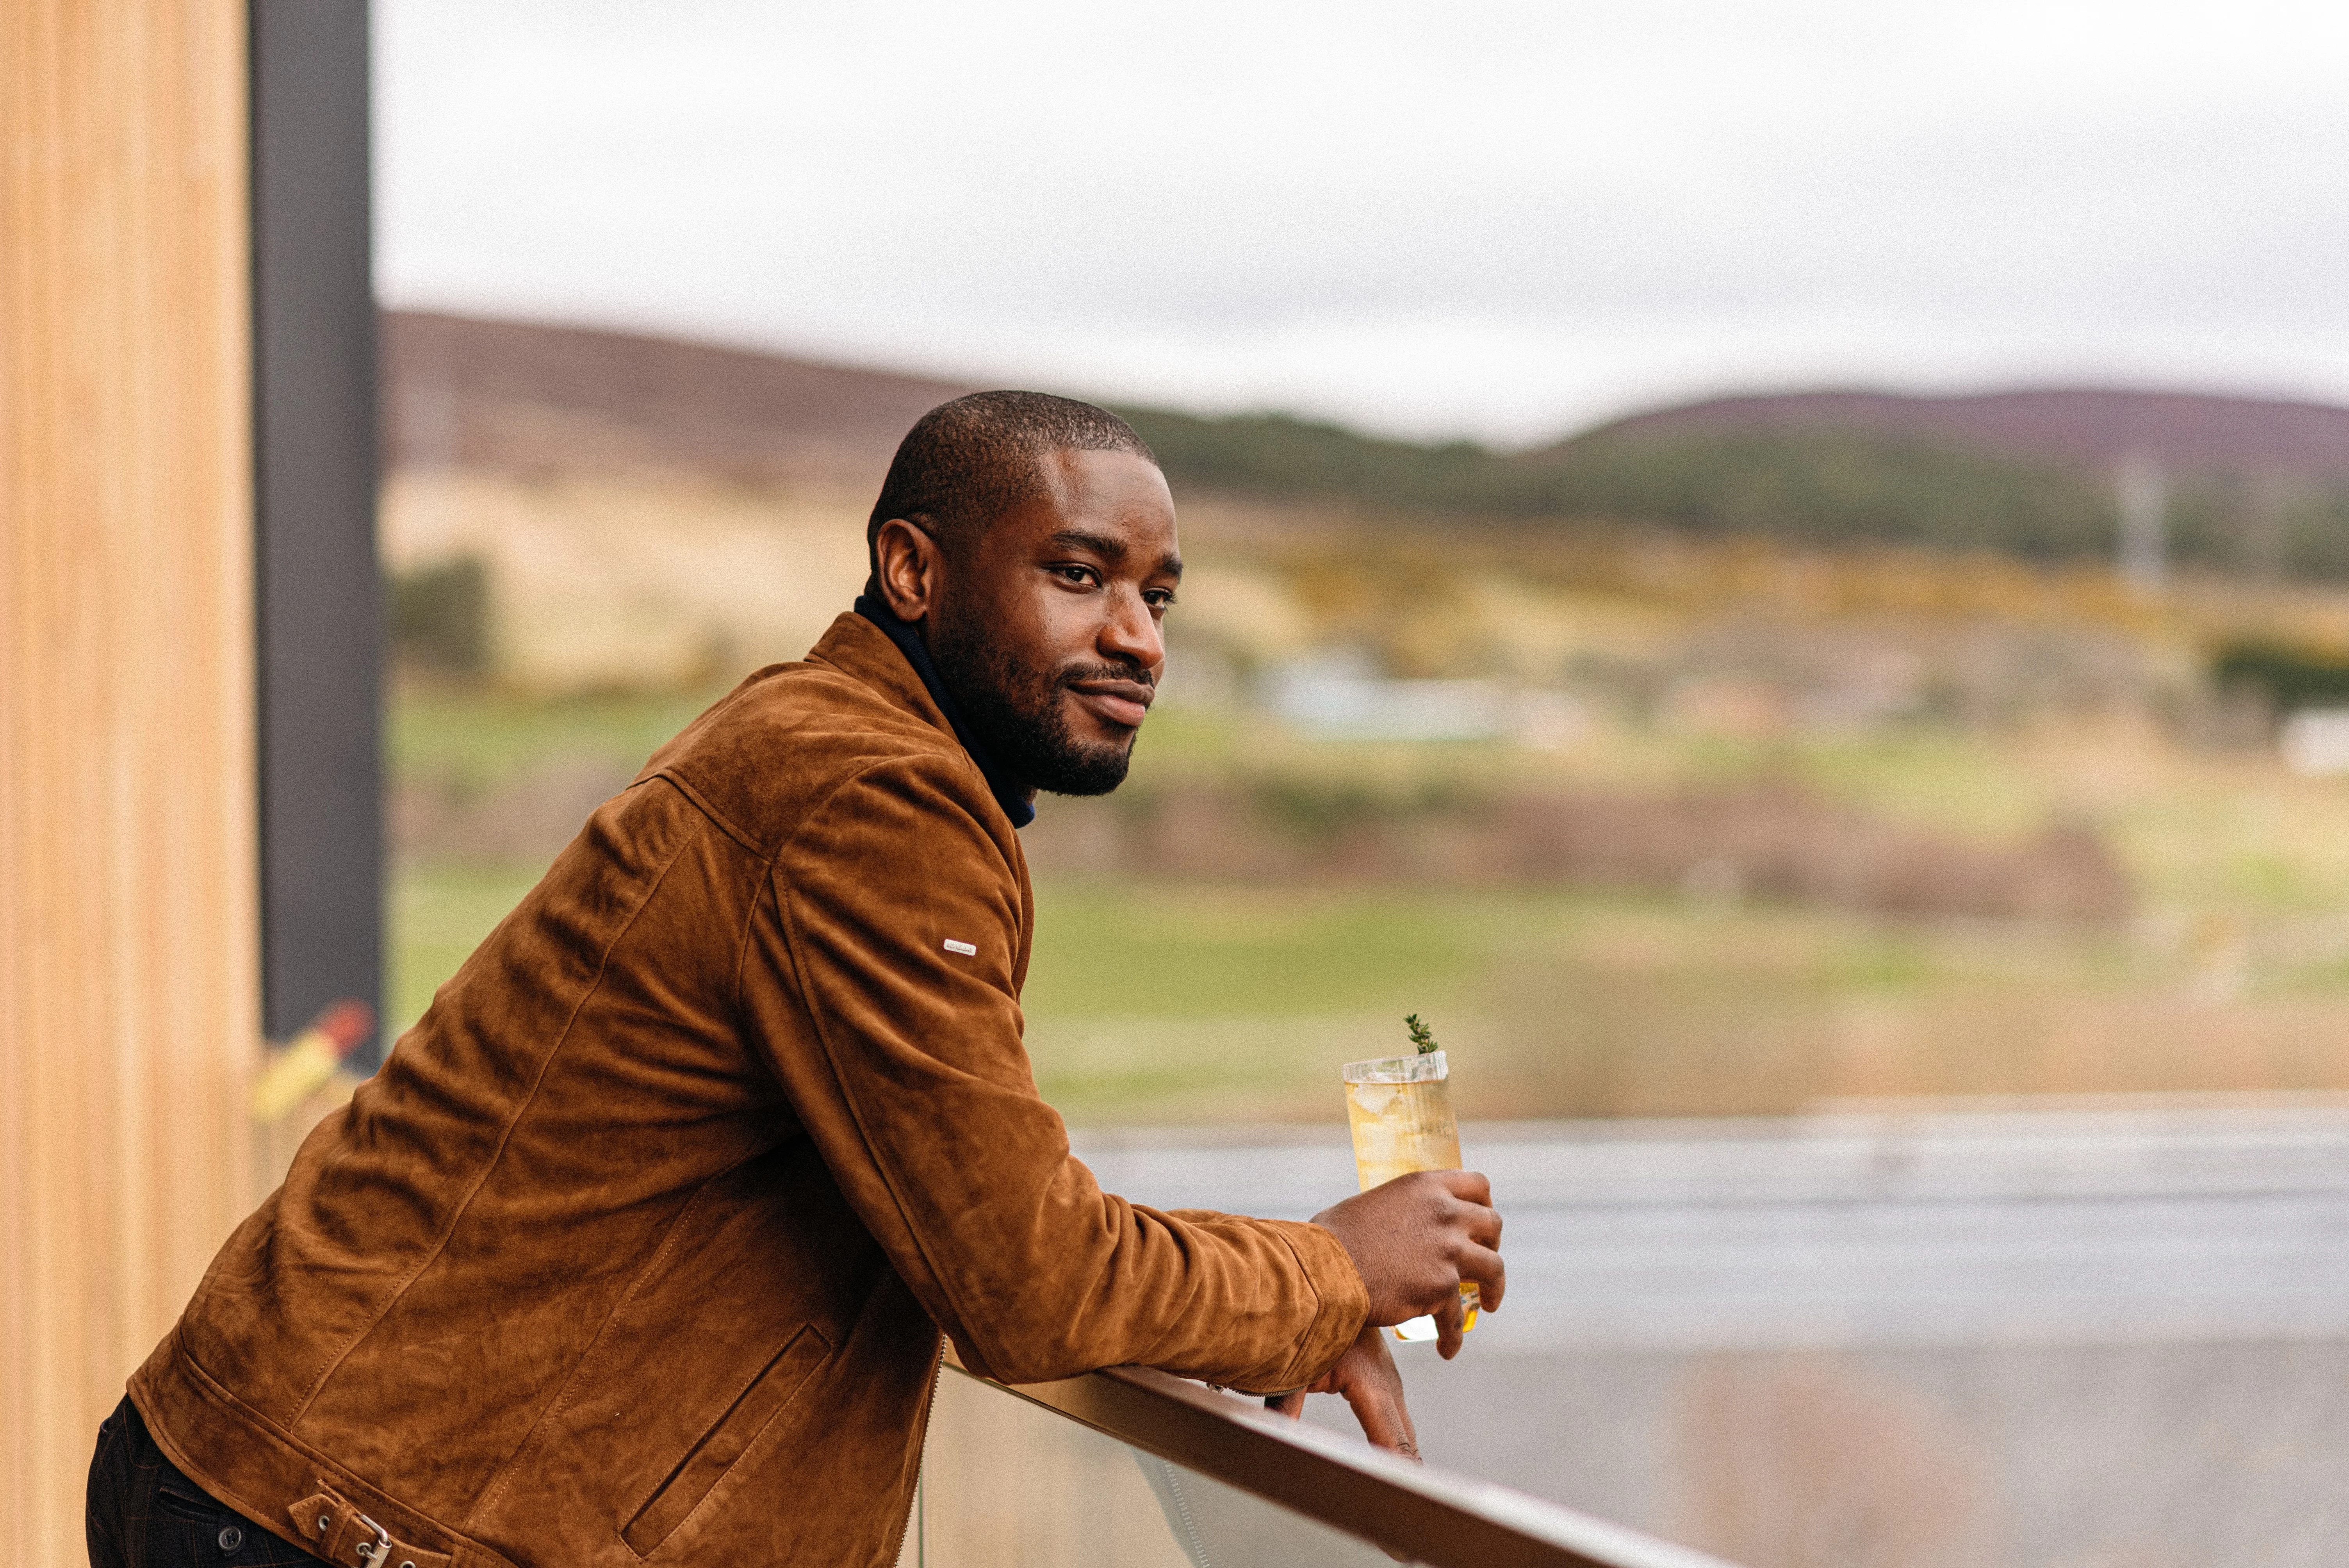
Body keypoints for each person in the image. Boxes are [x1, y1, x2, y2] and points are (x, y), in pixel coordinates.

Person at [89, 392, 1506, 1568]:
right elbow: (1023, 1279)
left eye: (1157, 595)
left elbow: (967, 1203)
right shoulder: (871, 798)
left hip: (290, 1482)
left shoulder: (822, 744)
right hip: (335, 1519)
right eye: (1079, 575)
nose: (1138, 637)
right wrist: (1328, 1271)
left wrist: (1249, 1305)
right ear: (915, 572)